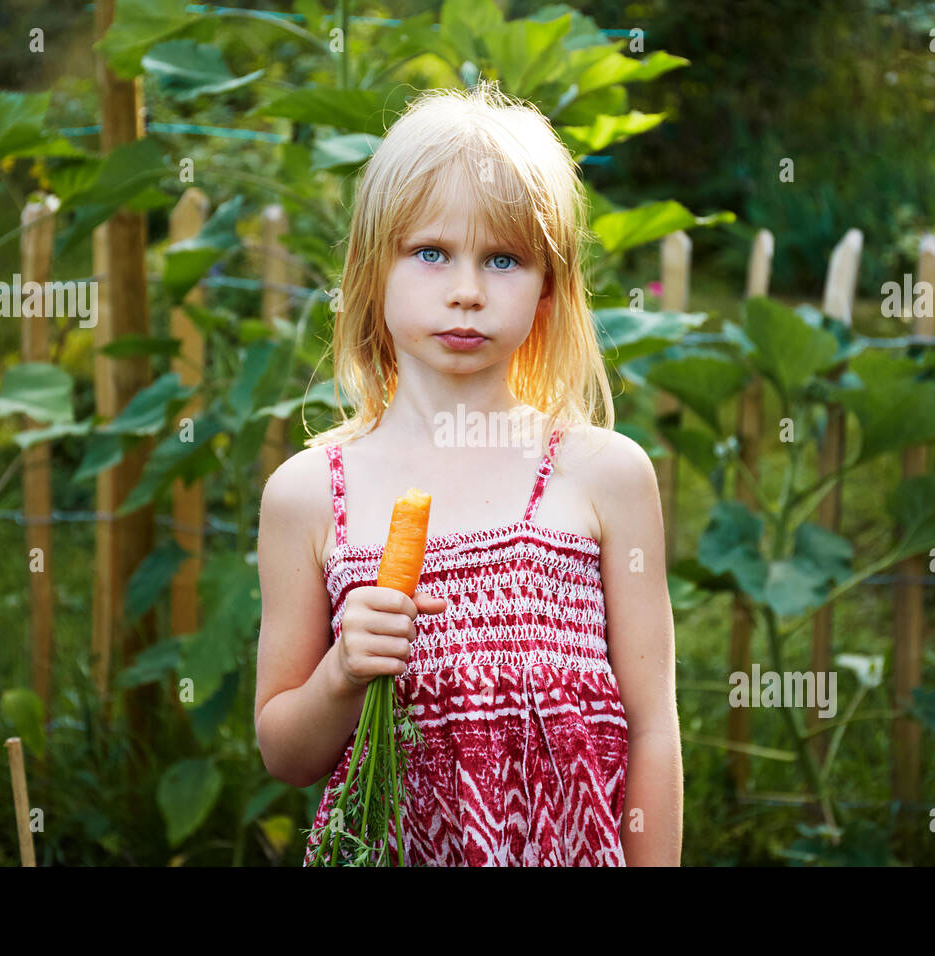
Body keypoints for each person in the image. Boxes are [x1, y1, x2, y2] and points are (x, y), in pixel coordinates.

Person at [253, 80, 681, 866]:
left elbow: (654, 729)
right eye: (430, 252)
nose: (467, 291)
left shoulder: (604, 475)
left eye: (504, 259)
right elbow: (286, 753)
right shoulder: (312, 494)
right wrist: (343, 672)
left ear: (549, 288)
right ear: (370, 270)